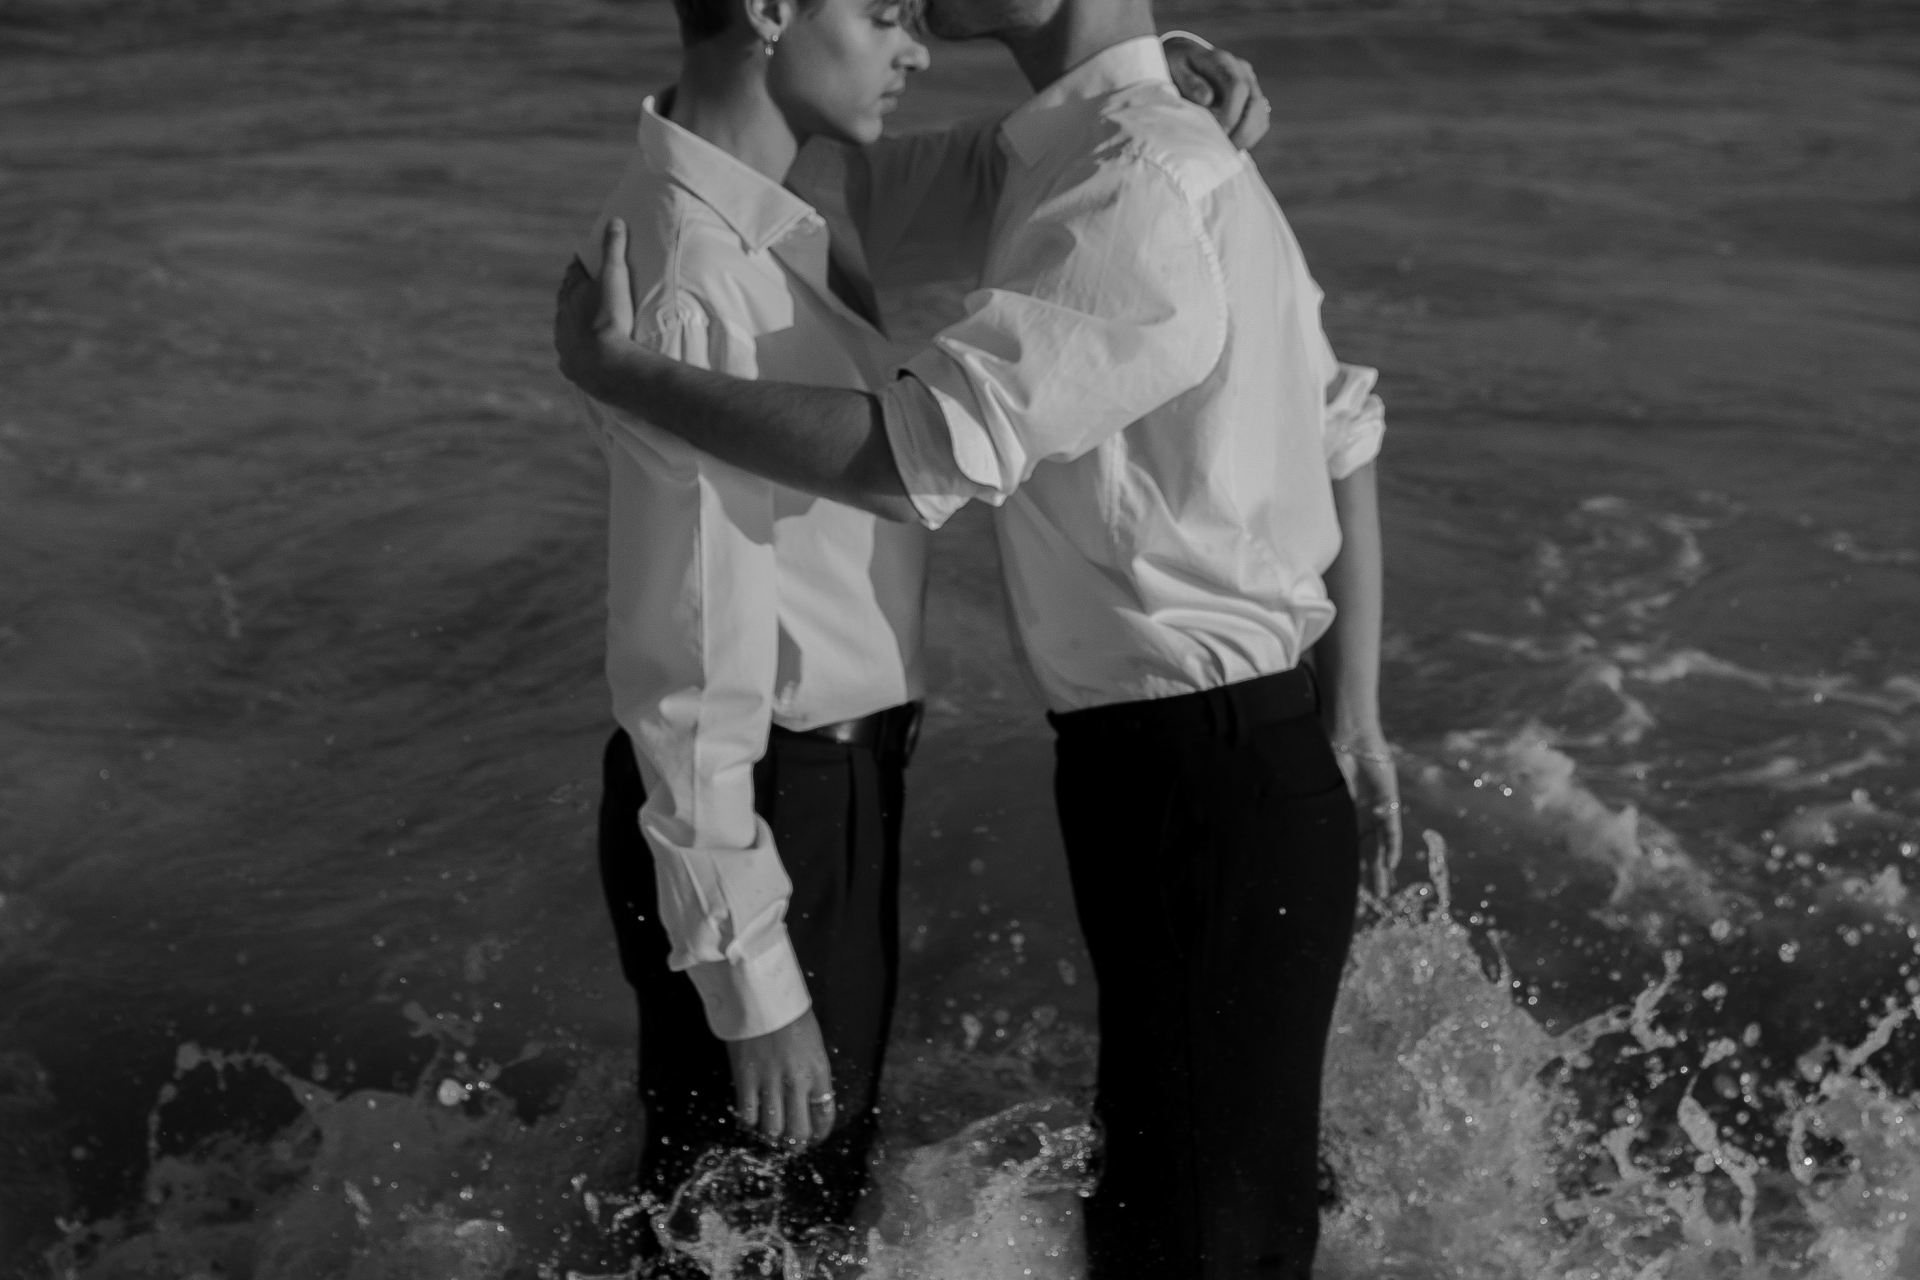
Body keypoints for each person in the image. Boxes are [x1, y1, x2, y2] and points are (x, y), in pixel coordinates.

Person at [568, 0, 1271, 1259]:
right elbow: (682, 670)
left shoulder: (778, 208)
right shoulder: (691, 276)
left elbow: (1022, 161)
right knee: (748, 1236)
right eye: (886, 11)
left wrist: (1143, 69)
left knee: (766, 1225)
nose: (917, 45)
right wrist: (752, 978)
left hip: (818, 791)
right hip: (768, 805)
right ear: (774, 9)